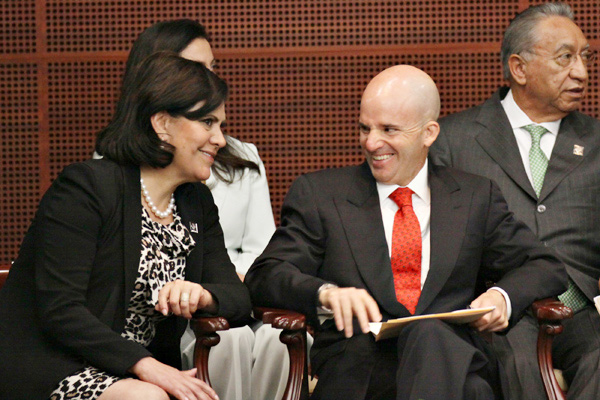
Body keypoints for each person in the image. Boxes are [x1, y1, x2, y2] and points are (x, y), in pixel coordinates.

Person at [245, 65, 568, 400]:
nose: (371, 142)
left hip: (451, 358)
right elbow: (265, 275)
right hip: (362, 369)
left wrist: (502, 297)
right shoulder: (321, 195)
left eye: (389, 130)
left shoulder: (474, 197)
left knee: (432, 336)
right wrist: (326, 293)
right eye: (364, 128)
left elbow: (545, 265)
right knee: (468, 386)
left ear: (428, 133)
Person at [0, 52, 252, 400]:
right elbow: (61, 310)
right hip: (55, 363)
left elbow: (239, 297)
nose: (220, 139)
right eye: (208, 122)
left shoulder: (196, 202)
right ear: (162, 123)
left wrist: (203, 294)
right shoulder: (86, 188)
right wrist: (145, 365)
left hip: (136, 373)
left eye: (221, 125)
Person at [97, 20, 285, 400]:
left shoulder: (223, 175)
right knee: (227, 339)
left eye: (212, 67)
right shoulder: (103, 177)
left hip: (233, 291)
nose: (209, 79)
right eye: (194, 70)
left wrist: (218, 286)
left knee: (279, 337)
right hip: (168, 316)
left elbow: (263, 251)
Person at [429, 3, 600, 399]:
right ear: (519, 68)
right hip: (498, 309)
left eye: (585, 57)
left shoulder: (596, 141)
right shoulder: (453, 141)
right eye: (565, 58)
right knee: (518, 368)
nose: (581, 72)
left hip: (581, 307)